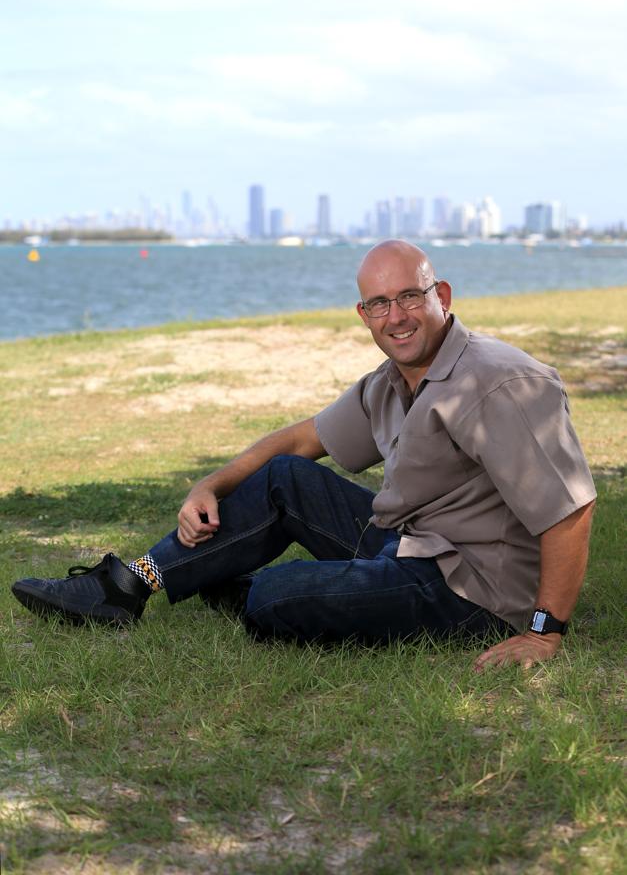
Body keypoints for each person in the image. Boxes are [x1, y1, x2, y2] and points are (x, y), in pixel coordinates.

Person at [11, 241, 596, 671]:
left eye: (410, 297)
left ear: (440, 296)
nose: (396, 316)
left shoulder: (498, 384)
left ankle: (246, 585)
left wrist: (544, 633)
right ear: (363, 314)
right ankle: (126, 587)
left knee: (272, 595)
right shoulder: (392, 381)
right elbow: (298, 442)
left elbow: (569, 510)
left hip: (475, 590)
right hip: (415, 545)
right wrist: (209, 484)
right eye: (379, 303)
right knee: (283, 478)